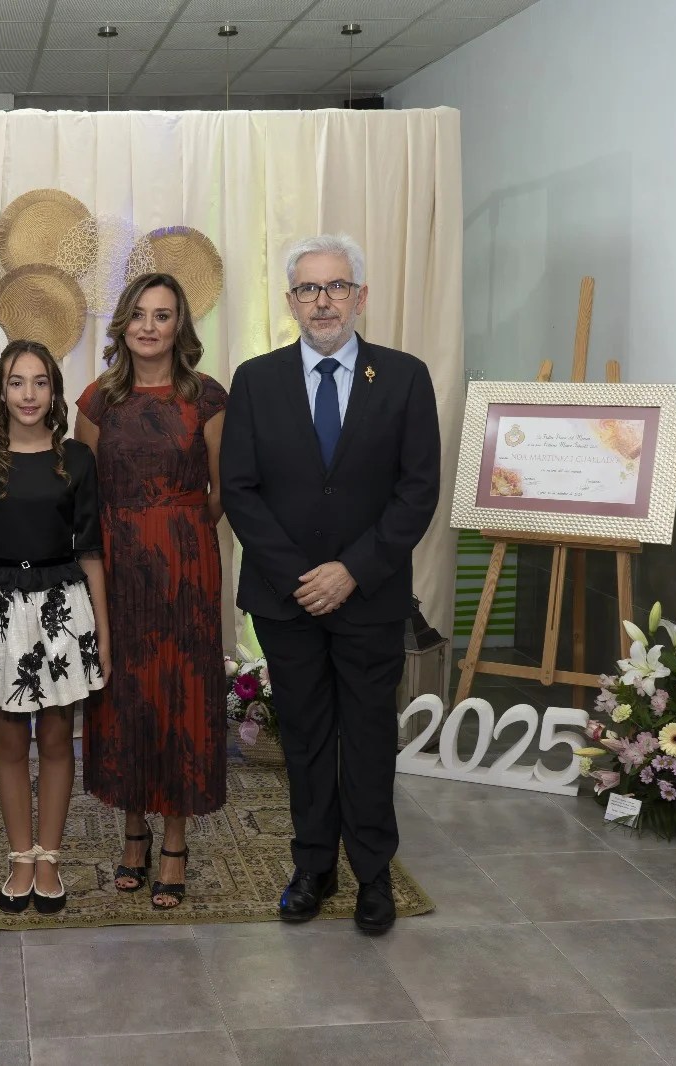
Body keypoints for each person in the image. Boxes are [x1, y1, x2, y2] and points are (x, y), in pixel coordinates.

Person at [220, 234, 440, 934]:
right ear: (291, 301)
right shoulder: (256, 379)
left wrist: (352, 570)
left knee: (370, 738)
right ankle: (313, 866)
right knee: (307, 738)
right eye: (309, 289)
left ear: (360, 297)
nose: (323, 301)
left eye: (336, 287)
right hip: (286, 601)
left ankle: (373, 875)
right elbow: (241, 489)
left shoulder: (404, 377)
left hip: (370, 597)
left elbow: (417, 491)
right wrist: (298, 577)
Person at [74, 273, 228, 910]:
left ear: (179, 326)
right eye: (138, 314)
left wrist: (178, 535)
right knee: (127, 699)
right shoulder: (97, 401)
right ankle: (132, 832)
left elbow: (220, 493)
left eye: (162, 316)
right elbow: (85, 497)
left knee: (181, 701)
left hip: (186, 571)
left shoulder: (208, 399)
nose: (148, 326)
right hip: (116, 569)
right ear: (122, 324)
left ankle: (173, 842)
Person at [0, 340, 109, 915]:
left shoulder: (76, 461)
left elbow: (91, 555)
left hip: (62, 611)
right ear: (1, 390)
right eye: (18, 382)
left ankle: (50, 857)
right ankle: (21, 857)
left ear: (55, 393)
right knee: (11, 741)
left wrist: (104, 643)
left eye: (41, 382)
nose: (29, 394)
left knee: (60, 738)